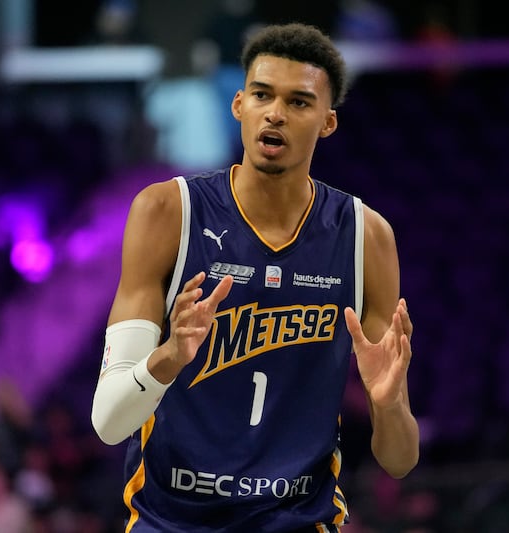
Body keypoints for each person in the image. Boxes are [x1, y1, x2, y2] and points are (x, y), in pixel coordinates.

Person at [90, 22, 419, 532]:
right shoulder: (166, 211)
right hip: (171, 519)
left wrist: (388, 402)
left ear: (328, 122)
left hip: (297, 518)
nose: (276, 114)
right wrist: (168, 358)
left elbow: (399, 460)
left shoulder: (365, 236)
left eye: (299, 102)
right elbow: (109, 423)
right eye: (263, 95)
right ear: (239, 104)